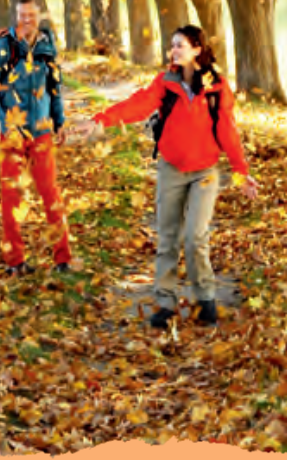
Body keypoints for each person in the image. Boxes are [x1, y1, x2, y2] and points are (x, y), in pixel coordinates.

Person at [79, 24, 256, 328]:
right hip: (171, 168)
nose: (173, 50)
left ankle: (206, 299)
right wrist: (101, 120)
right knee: (168, 237)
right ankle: (165, 303)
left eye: (180, 45)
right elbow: (137, 105)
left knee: (195, 237)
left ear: (197, 50)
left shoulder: (216, 86)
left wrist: (241, 172)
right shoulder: (166, 82)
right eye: (172, 45)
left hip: (205, 172)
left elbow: (227, 130)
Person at [0, 0, 71, 276]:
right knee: (12, 197)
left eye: (31, 15)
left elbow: (54, 87)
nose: (26, 20)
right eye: (21, 15)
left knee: (50, 194)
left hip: (42, 131)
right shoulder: (3, 47)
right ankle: (15, 262)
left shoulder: (47, 46)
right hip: (12, 134)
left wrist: (60, 121)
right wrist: (0, 121)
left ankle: (63, 259)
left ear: (39, 15)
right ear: (15, 16)